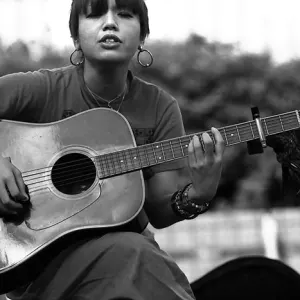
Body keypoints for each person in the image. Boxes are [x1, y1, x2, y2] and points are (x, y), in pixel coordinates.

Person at [0, 0, 225, 299]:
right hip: (37, 266)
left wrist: (199, 195)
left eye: (125, 14)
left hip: (123, 260)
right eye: (95, 14)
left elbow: (159, 210)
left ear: (143, 36)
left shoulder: (160, 107)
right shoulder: (41, 89)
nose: (110, 23)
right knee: (137, 256)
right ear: (75, 36)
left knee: (135, 254)